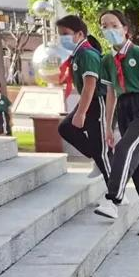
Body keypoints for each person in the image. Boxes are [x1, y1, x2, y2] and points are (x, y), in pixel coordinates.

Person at [95, 10, 139, 219]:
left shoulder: (138, 54)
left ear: (125, 29)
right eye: (104, 26)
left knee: (125, 147)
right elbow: (111, 95)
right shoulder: (107, 61)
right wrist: (107, 127)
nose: (109, 30)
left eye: (114, 25)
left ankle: (112, 199)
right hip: (124, 109)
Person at [55, 16, 111, 188]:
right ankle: (98, 157)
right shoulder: (78, 54)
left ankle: (117, 193)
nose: (62, 38)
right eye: (60, 35)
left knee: (101, 150)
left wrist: (80, 113)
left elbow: (90, 86)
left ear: (79, 34)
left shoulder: (87, 54)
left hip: (98, 103)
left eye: (66, 34)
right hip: (89, 103)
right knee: (66, 128)